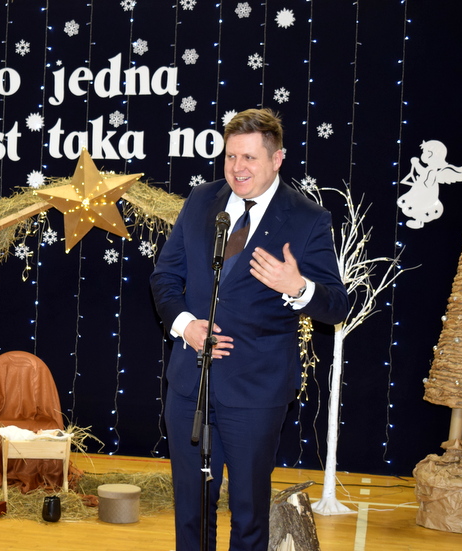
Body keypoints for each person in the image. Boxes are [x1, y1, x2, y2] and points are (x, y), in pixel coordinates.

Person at [150, 108, 348, 551]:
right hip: (190, 386)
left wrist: (298, 287)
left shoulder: (307, 218)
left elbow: (336, 305)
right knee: (191, 510)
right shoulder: (202, 200)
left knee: (248, 513)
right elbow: (165, 276)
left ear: (277, 159)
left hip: (256, 392)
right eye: (230, 156)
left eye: (249, 158)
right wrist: (185, 324)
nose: (237, 168)